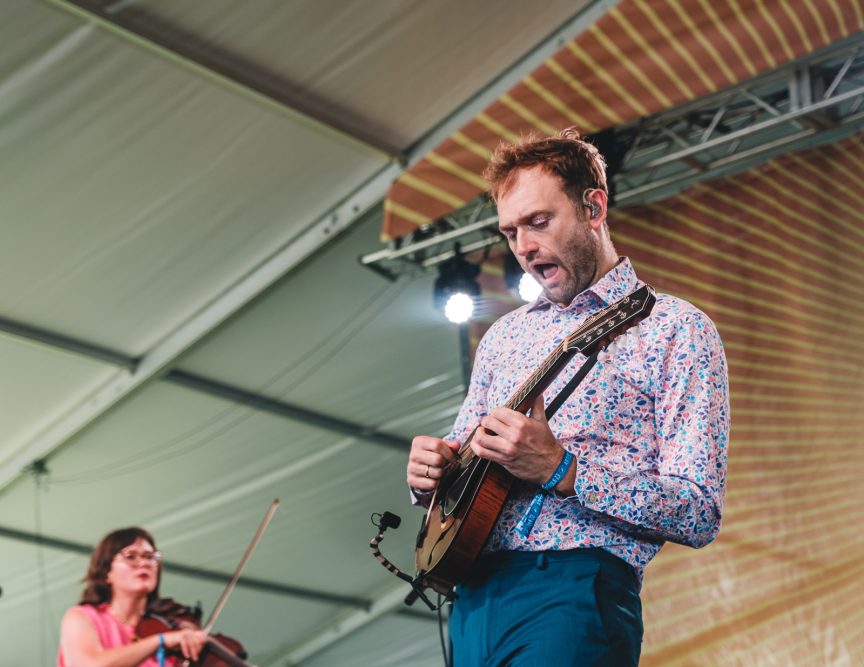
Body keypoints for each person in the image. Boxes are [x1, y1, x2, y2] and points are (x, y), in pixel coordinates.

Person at [407, 128, 729, 666]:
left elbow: (698, 512)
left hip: (576, 590)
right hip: (473, 596)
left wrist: (561, 468)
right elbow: (465, 456)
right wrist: (430, 474)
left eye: (539, 222)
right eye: (510, 232)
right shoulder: (503, 336)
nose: (524, 248)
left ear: (594, 207)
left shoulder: (677, 329)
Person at [58, 527, 208, 667]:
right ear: (106, 572)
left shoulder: (169, 626)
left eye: (150, 557)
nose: (144, 563)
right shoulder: (82, 617)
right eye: (131, 557)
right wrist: (159, 641)